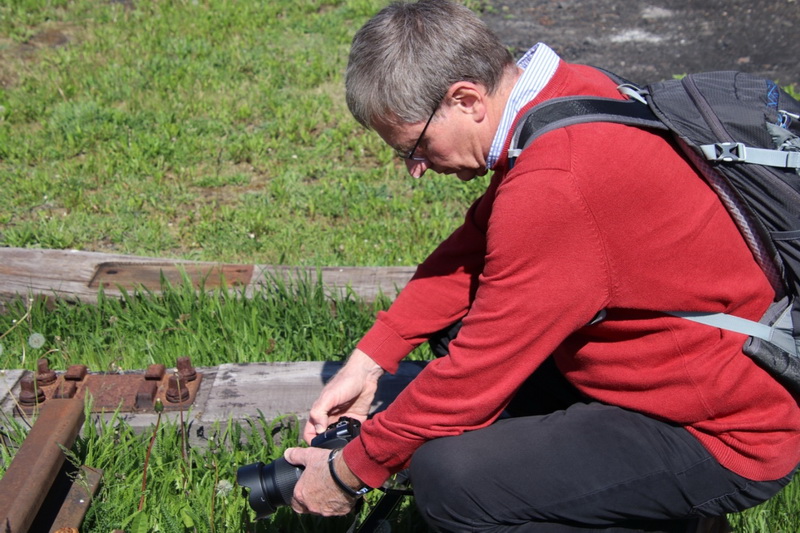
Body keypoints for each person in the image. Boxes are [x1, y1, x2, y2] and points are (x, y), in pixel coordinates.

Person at [283, 1, 800, 531]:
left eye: (414, 146)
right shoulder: (570, 89)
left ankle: (675, 518)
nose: (416, 169)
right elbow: (474, 251)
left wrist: (348, 472)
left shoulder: (557, 184)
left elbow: (473, 381)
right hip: (688, 369)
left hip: (723, 431)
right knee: (453, 342)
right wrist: (371, 359)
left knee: (450, 480)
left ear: (466, 99)